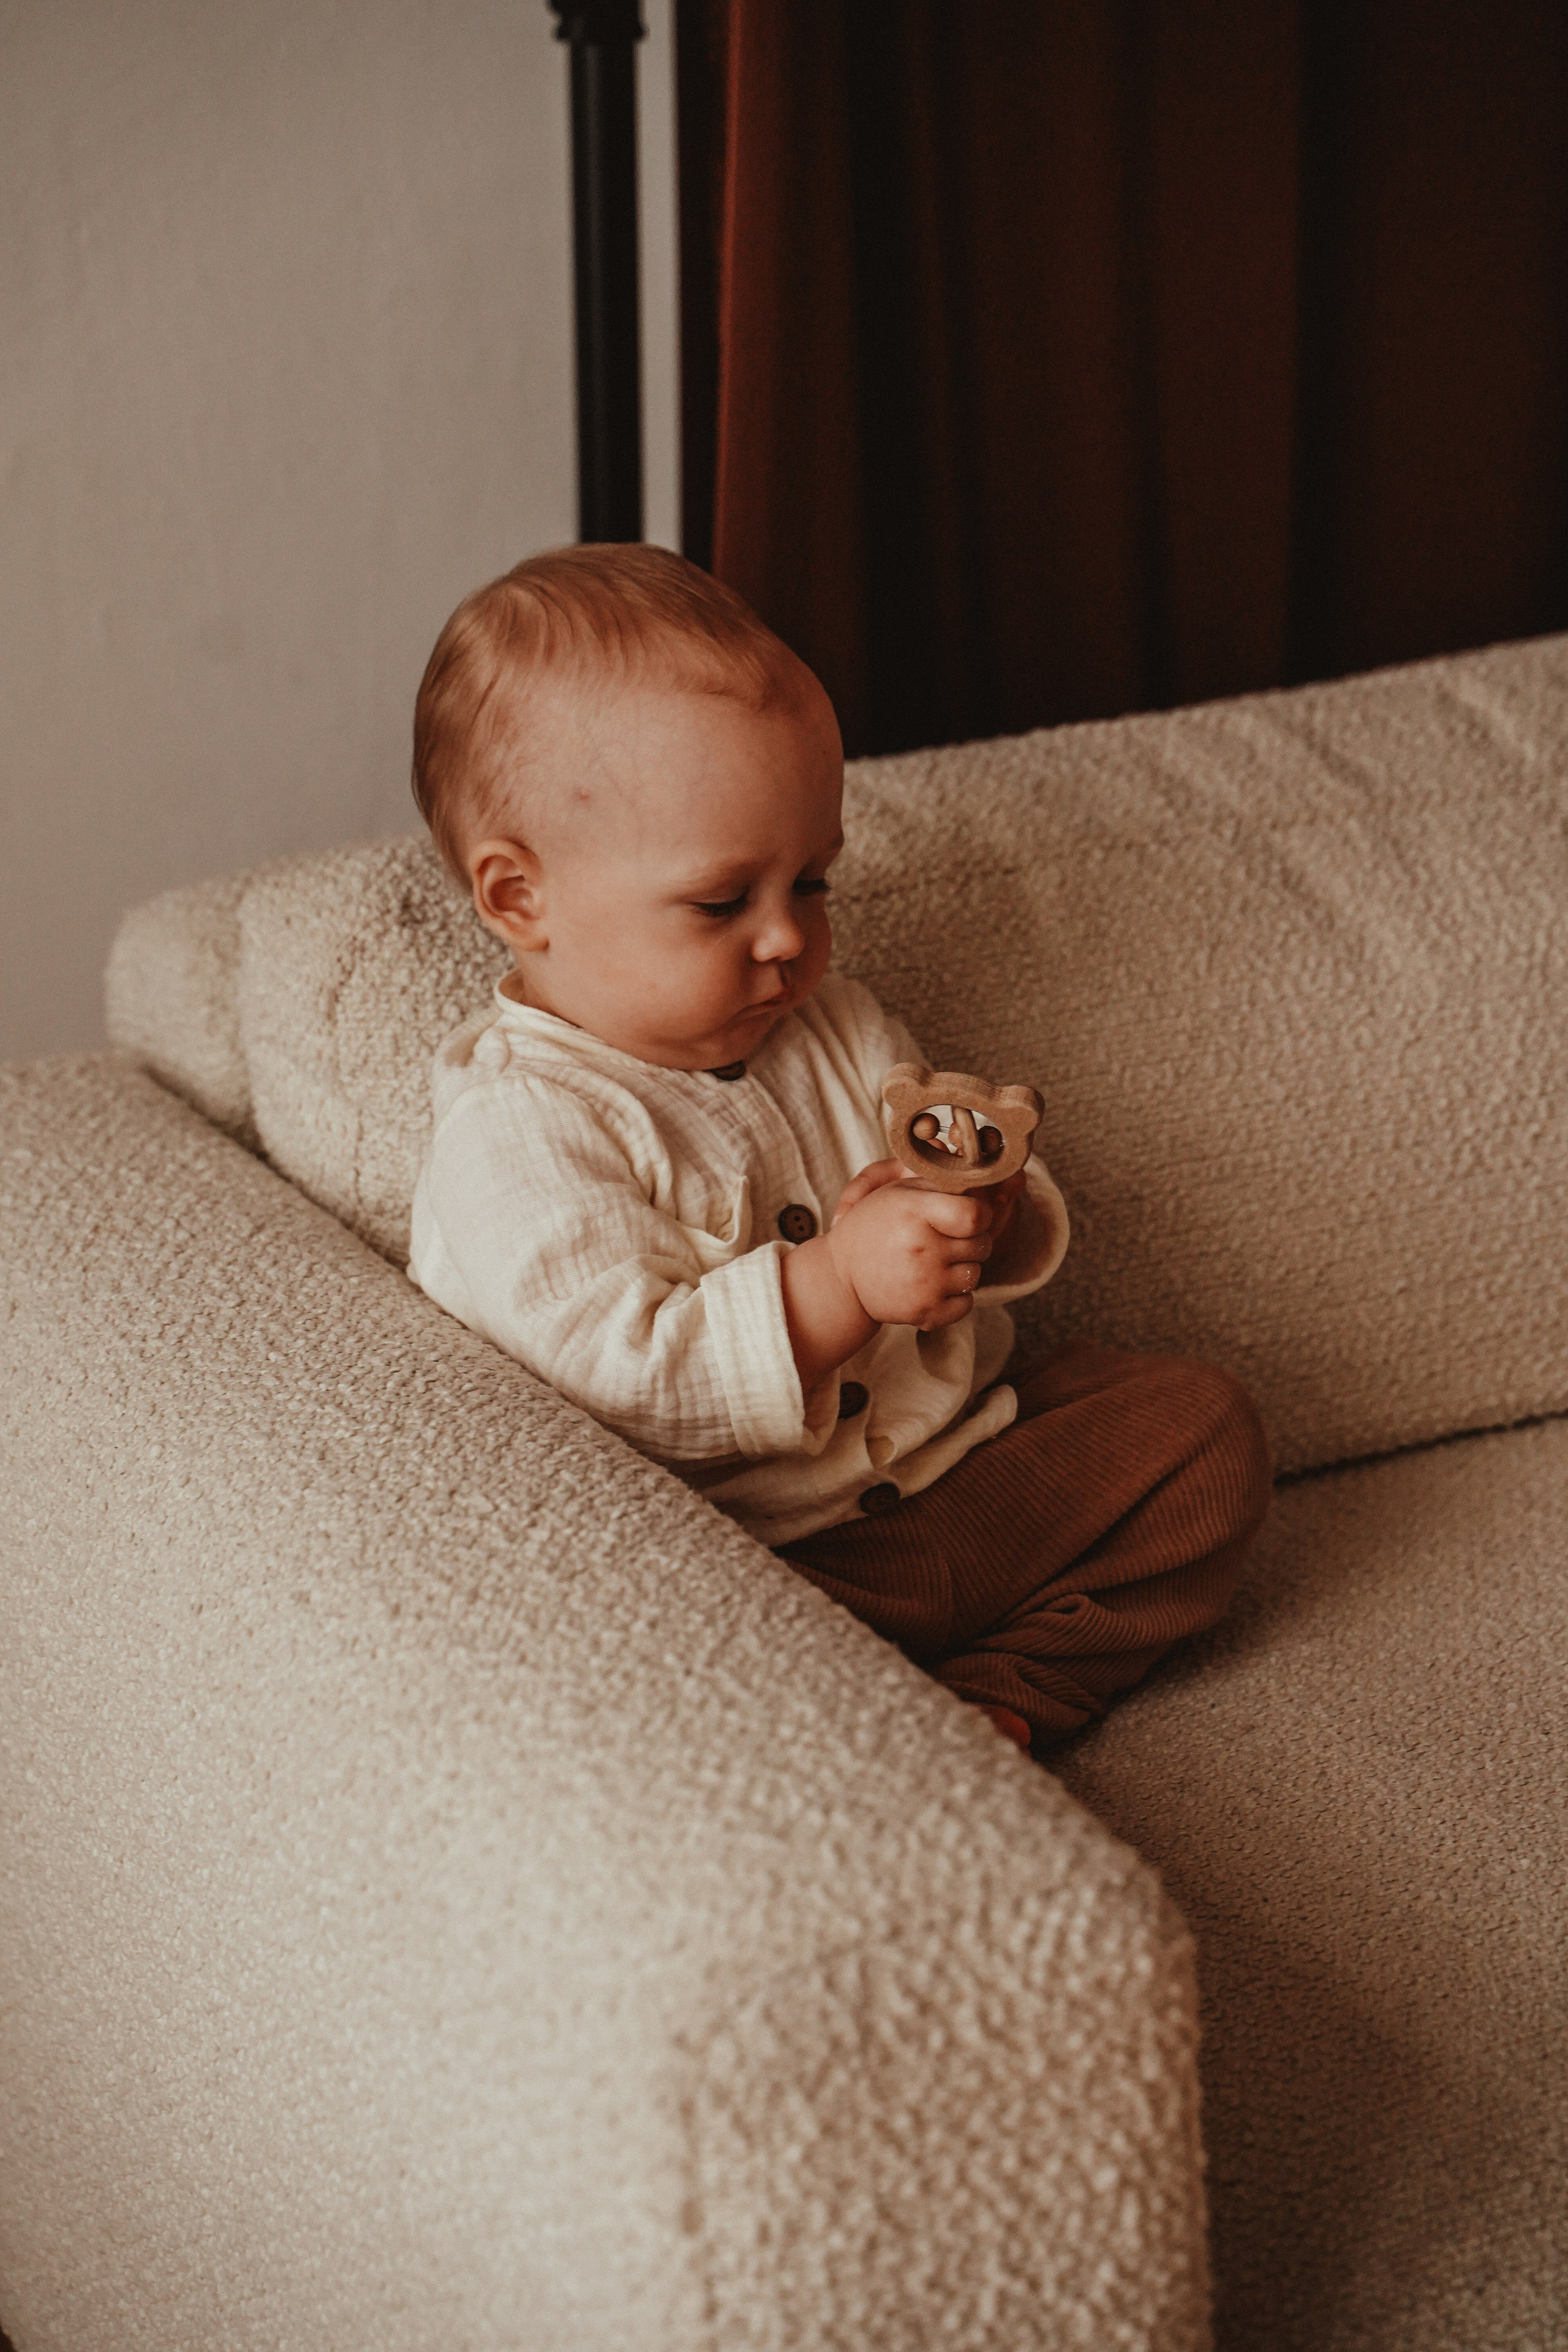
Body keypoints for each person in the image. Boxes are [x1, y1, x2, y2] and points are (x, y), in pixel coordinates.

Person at [407, 543, 1271, 1754]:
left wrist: (985, 1214)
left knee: (1196, 1428)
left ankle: (1011, 1694)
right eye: (722, 902)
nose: (785, 942)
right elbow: (621, 1366)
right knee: (642, 1695)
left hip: (960, 1471)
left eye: (810, 881)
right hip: (755, 1572)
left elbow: (932, 1198)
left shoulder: (836, 1023)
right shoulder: (522, 1125)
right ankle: (872, 1732)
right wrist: (835, 1286)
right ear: (517, 899)